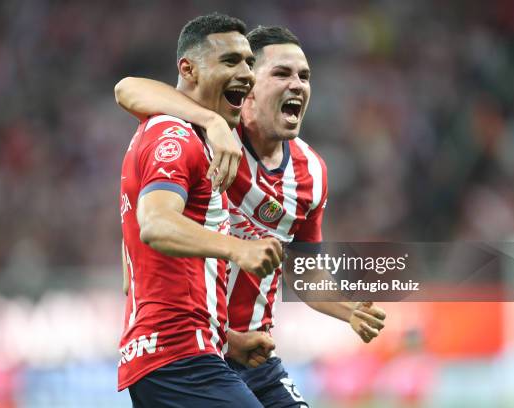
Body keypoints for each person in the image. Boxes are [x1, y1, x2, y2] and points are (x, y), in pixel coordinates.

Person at [116, 25, 387, 407]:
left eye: (304, 76)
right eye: (281, 74)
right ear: (248, 89)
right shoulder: (206, 133)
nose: (297, 85)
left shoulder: (311, 172)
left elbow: (305, 269)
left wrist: (349, 309)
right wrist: (210, 123)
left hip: (252, 353)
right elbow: (128, 89)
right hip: (189, 346)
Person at [117, 14, 284, 407]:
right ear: (188, 69)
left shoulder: (194, 136)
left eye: (248, 62)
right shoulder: (174, 135)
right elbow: (155, 225)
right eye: (230, 61)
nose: (246, 73)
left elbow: (136, 279)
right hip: (178, 360)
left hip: (183, 354)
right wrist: (236, 248)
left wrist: (226, 337)